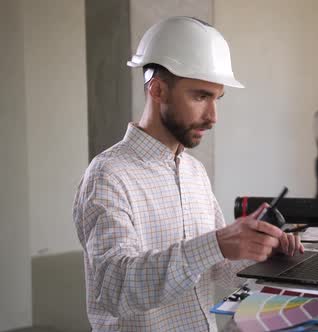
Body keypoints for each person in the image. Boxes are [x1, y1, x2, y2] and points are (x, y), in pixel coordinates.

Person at [73, 17, 303, 331]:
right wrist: (217, 243)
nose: (213, 117)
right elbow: (116, 288)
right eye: (200, 97)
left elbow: (218, 269)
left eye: (217, 98)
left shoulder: (194, 172)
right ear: (157, 90)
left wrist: (261, 252)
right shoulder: (109, 175)